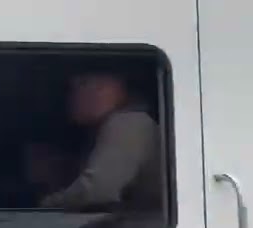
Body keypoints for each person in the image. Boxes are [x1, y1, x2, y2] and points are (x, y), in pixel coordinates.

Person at [39, 69, 162, 213]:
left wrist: (43, 205)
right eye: (73, 87)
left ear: (117, 87)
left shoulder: (129, 123)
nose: (76, 95)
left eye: (85, 83)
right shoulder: (101, 130)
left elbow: (97, 191)